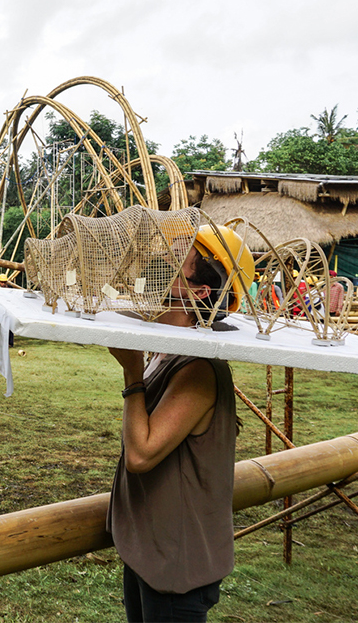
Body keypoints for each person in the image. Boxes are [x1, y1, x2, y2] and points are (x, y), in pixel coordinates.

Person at [106, 225, 254, 623]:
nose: (157, 267)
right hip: (151, 554)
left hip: (177, 565)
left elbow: (141, 454)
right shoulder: (169, 350)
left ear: (199, 292)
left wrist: (132, 372)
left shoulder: (198, 369)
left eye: (172, 263)